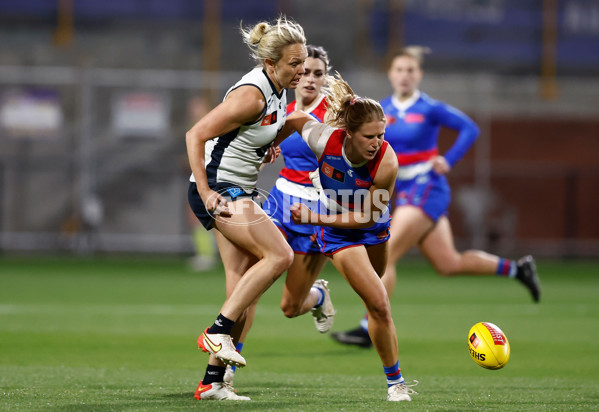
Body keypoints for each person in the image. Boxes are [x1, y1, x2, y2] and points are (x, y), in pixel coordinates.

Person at [331, 46, 542, 349]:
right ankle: (517, 269)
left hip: (426, 186)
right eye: (400, 70)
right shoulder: (382, 110)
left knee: (385, 252)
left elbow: (469, 128)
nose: (405, 75)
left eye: (411, 70)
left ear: (419, 75)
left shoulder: (429, 108)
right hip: (401, 191)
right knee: (448, 263)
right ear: (391, 74)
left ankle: (369, 326)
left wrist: (449, 159)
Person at [186, 16, 307, 401]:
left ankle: (213, 383)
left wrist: (266, 144)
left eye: (302, 61)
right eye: (293, 63)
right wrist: (205, 190)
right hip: (221, 190)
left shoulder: (278, 90)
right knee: (280, 255)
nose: (300, 70)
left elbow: (256, 130)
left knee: (243, 292)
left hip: (240, 188)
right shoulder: (253, 94)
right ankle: (217, 331)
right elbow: (196, 134)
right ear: (270, 64)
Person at [279, 73, 418, 402]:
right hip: (338, 234)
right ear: (349, 133)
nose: (377, 143)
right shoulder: (324, 139)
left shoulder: (387, 161)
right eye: (369, 136)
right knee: (379, 304)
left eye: (381, 135)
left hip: (371, 226)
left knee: (378, 282)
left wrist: (314, 216)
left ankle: (320, 296)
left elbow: (368, 216)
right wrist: (271, 143)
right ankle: (396, 383)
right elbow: (296, 117)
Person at [223, 44, 335, 385]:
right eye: (305, 71)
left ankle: (318, 296)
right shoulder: (281, 111)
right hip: (279, 204)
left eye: (318, 73)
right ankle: (228, 363)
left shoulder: (336, 113)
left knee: (290, 306)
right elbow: (269, 145)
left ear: (325, 77)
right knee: (250, 285)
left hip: (315, 213)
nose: (310, 79)